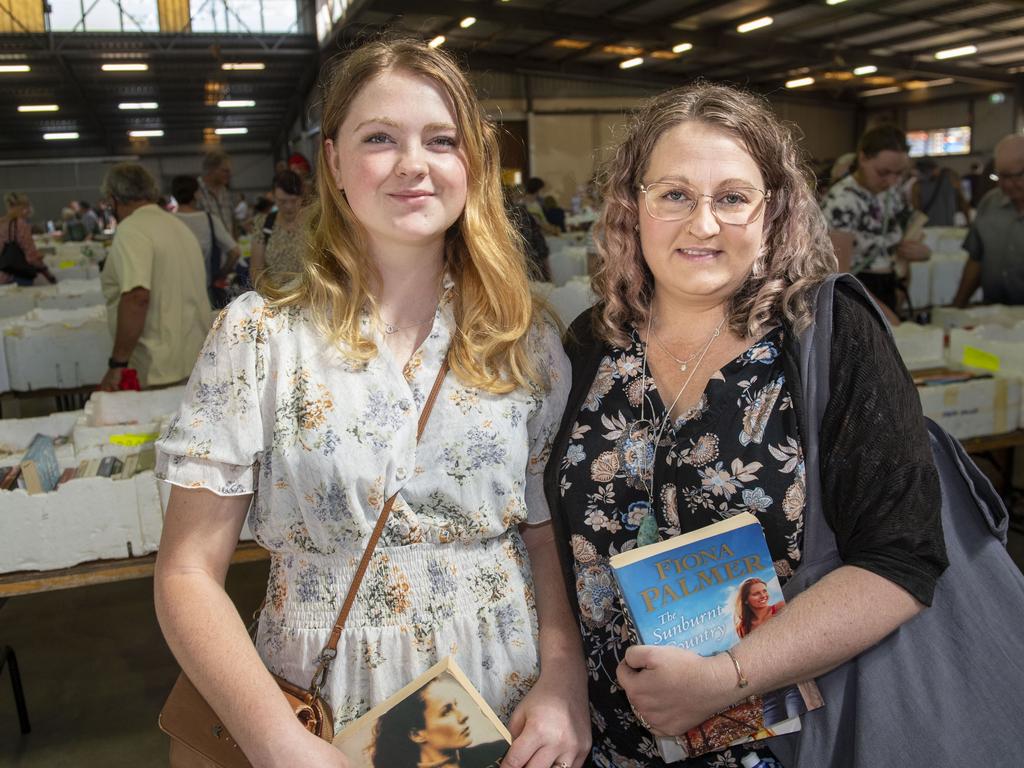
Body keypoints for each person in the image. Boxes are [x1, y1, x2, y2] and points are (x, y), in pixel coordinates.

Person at [153, 38, 590, 768]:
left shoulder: (527, 341)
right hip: (318, 713)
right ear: (333, 163)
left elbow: (542, 535)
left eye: (441, 140)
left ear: (472, 164)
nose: (413, 164)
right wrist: (276, 742)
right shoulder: (260, 339)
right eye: (379, 138)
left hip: (501, 703)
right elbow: (187, 572)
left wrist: (564, 680)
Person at [544, 83, 947, 767]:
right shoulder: (590, 345)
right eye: (674, 195)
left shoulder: (825, 337)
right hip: (607, 742)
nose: (702, 225)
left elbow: (901, 556)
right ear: (631, 206)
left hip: (782, 741)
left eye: (731, 198)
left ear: (773, 211)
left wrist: (724, 677)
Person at [98, 163, 212, 391]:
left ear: (113, 199)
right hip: (195, 361)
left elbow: (137, 297)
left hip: (157, 368)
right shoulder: (177, 226)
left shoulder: (132, 230)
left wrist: (118, 363)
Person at [821, 124, 931, 322]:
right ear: (863, 158)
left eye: (898, 174)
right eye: (883, 172)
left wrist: (923, 252)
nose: (891, 181)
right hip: (855, 295)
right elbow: (839, 276)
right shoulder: (842, 201)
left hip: (888, 287)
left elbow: (906, 237)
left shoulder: (892, 195)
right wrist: (882, 315)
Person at [370, 676, 508, 768]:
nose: (463, 716)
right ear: (417, 734)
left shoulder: (498, 752)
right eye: (446, 711)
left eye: (456, 705)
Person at [952, 134, 1024, 308]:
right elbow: (976, 259)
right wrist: (958, 305)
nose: (1006, 185)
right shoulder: (990, 203)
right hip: (992, 315)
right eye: (1001, 176)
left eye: (1014, 176)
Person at [172, 175, 241, 308]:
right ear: (197, 194)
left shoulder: (166, 221)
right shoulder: (209, 220)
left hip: (174, 294)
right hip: (204, 292)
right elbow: (235, 252)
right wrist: (221, 274)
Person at [248, 169, 305, 281]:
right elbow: (256, 271)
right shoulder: (263, 224)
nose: (288, 207)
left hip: (310, 295)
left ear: (302, 196)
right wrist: (272, 295)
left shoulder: (315, 223)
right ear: (273, 196)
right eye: (282, 201)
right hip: (275, 295)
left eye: (294, 201)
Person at [0, 191, 50, 286]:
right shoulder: (21, 225)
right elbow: (31, 257)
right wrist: (44, 267)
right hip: (17, 276)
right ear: (23, 207)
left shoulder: (1, 223)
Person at [911, 159, 969, 227]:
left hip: (928, 227)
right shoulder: (951, 178)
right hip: (948, 225)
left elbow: (916, 208)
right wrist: (968, 220)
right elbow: (962, 201)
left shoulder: (917, 186)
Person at [196, 148, 236, 237]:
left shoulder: (225, 192)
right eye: (225, 171)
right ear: (211, 170)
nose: (229, 174)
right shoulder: (195, 191)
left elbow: (232, 222)